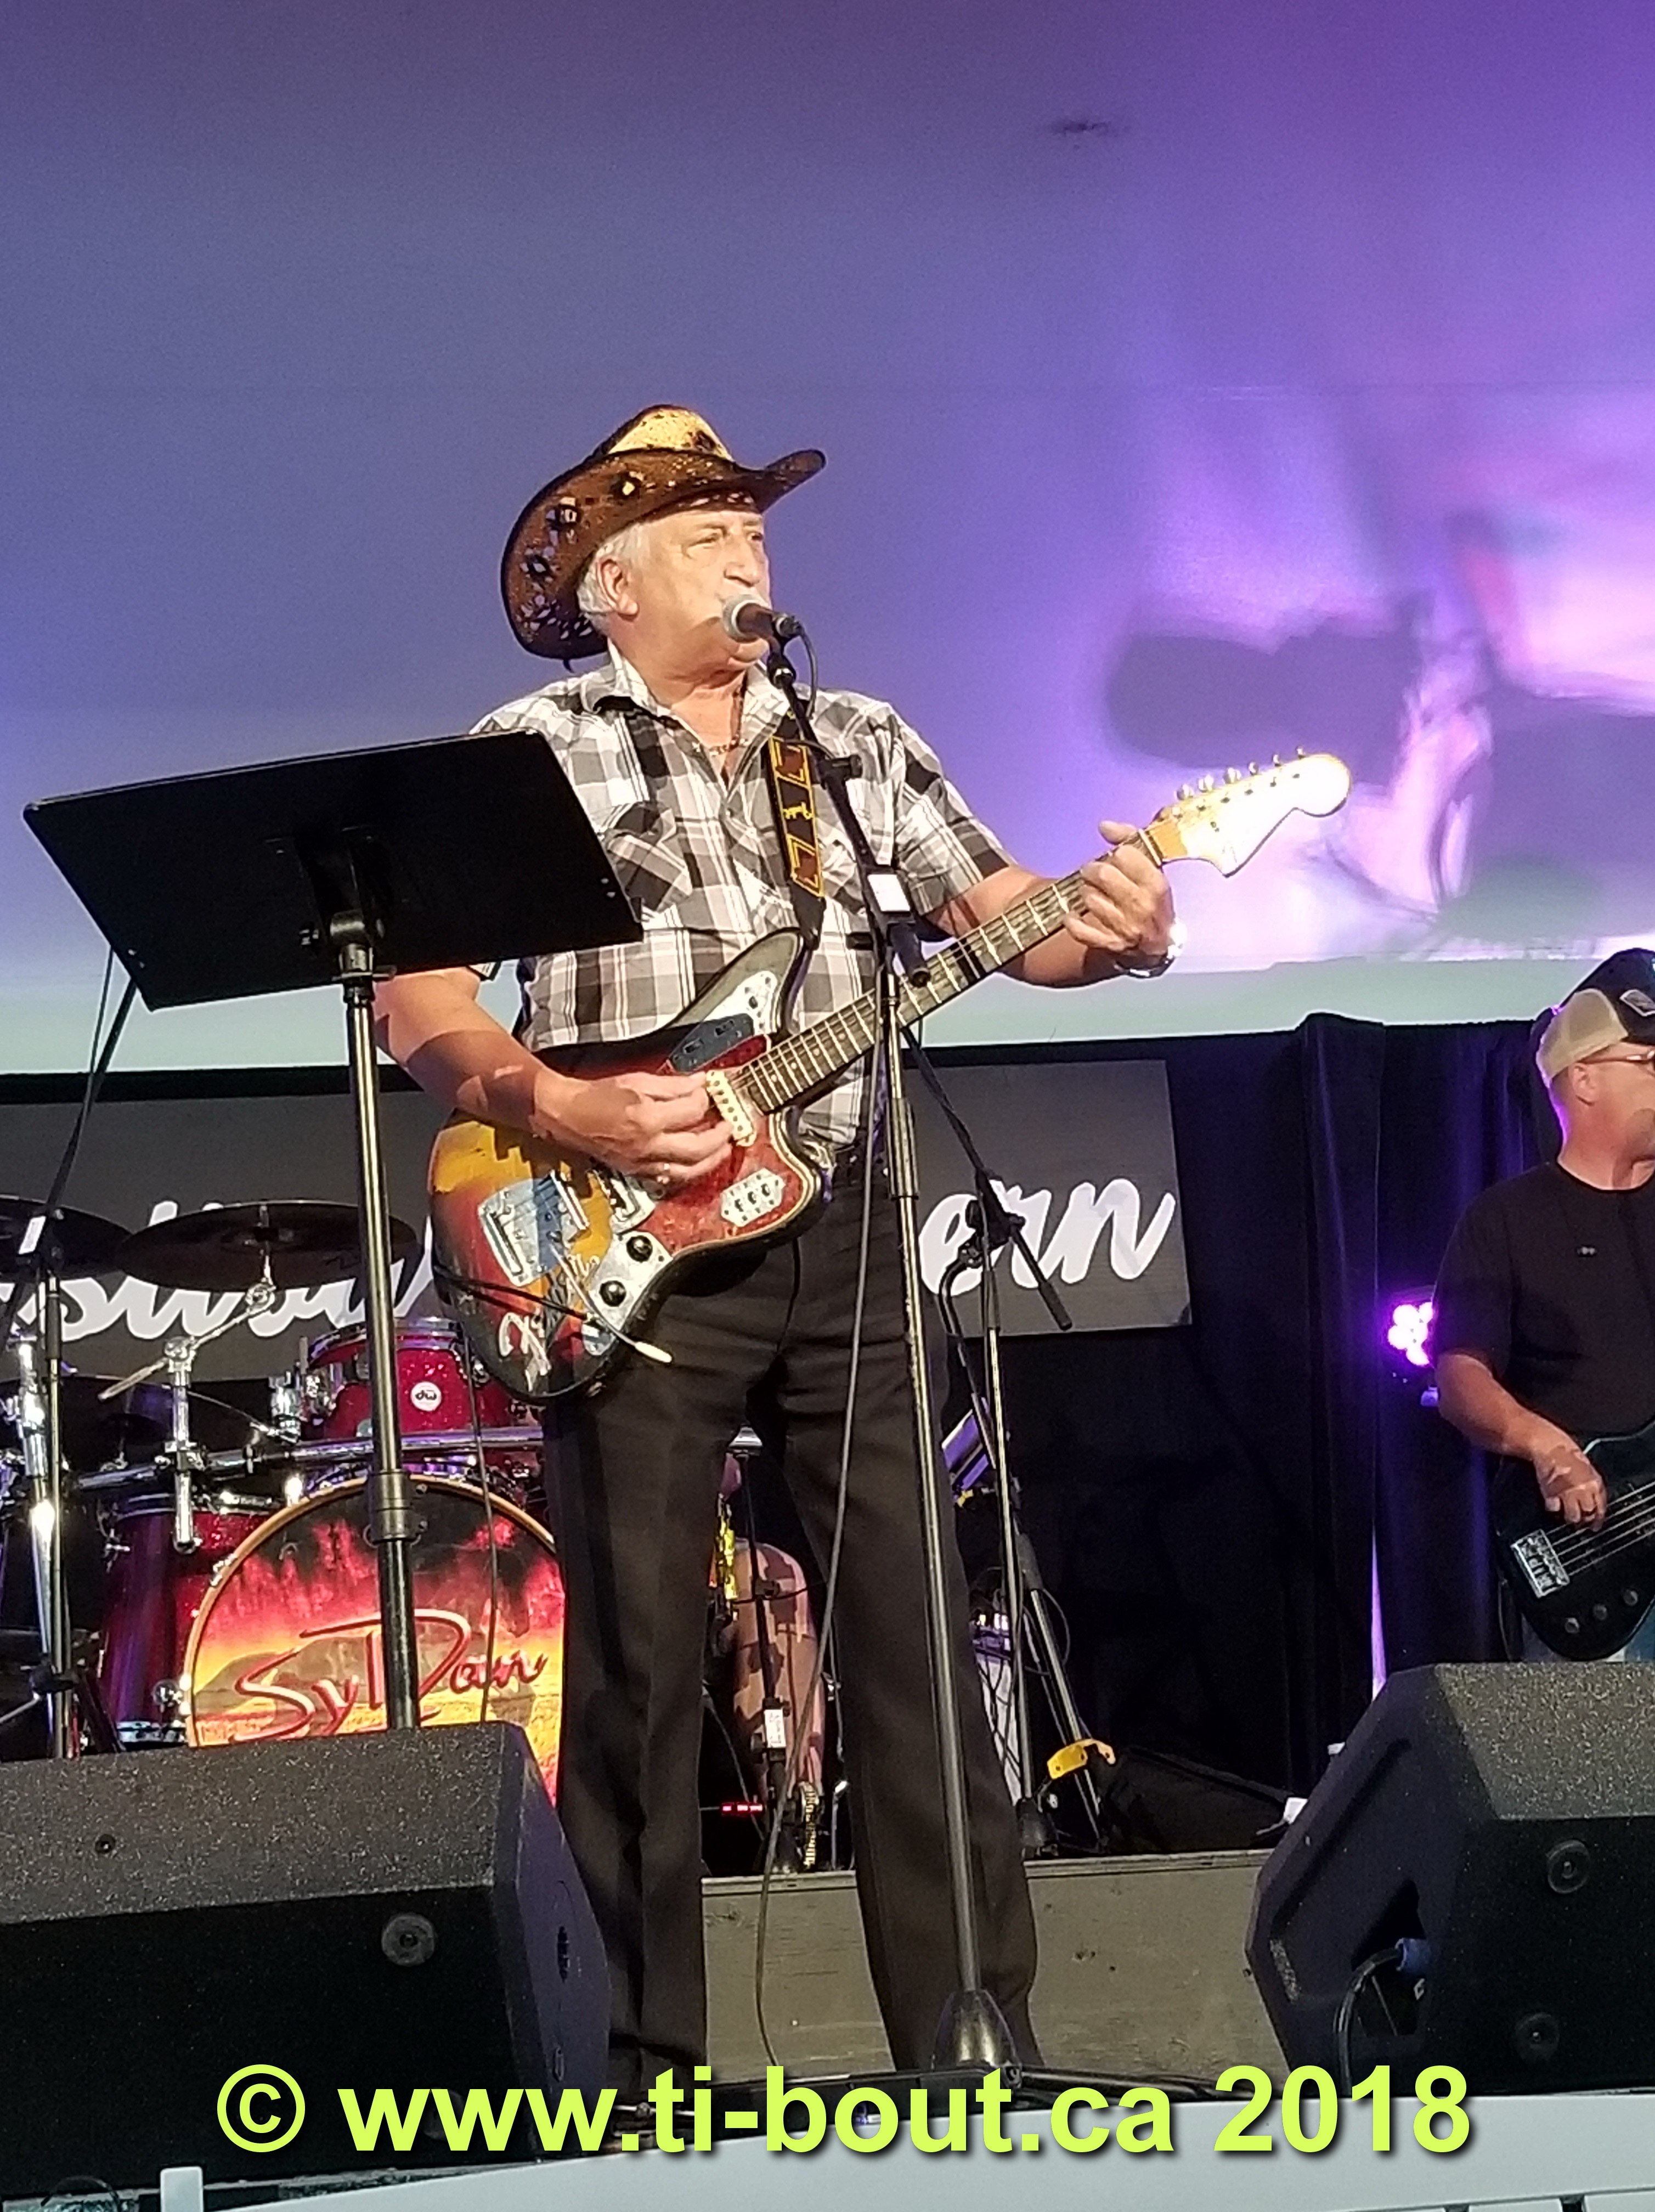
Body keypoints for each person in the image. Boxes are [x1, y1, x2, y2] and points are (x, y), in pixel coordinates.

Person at [375, 406, 1176, 2098]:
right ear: (614, 588)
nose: (745, 549)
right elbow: (421, 997)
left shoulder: (853, 739)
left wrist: (1110, 930)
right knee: (642, 1671)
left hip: (848, 1229)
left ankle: (972, 2038)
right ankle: (633, 2066)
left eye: (750, 524)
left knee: (913, 1639)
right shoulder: (531, 747)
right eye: (702, 530)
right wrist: (564, 1107)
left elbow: (1004, 918)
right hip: (621, 1243)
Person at [1434, 948, 1655, 1653]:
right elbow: (1460, 1378)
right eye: (1652, 1063)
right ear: (1584, 1078)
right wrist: (1548, 1446)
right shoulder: (1505, 1220)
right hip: (1596, 1554)